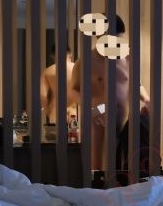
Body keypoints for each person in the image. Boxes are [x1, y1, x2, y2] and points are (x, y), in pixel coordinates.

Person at [70, 14, 150, 170]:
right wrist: (92, 107)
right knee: (97, 167)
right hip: (98, 114)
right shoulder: (86, 60)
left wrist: (147, 99)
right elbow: (73, 90)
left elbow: (135, 84)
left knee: (122, 165)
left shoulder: (127, 57)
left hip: (123, 118)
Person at [40, 45, 77, 124]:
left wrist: (47, 111)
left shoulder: (47, 71)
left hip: (56, 111)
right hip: (76, 111)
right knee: (75, 131)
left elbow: (43, 95)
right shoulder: (78, 69)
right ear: (70, 54)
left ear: (53, 56)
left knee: (55, 132)